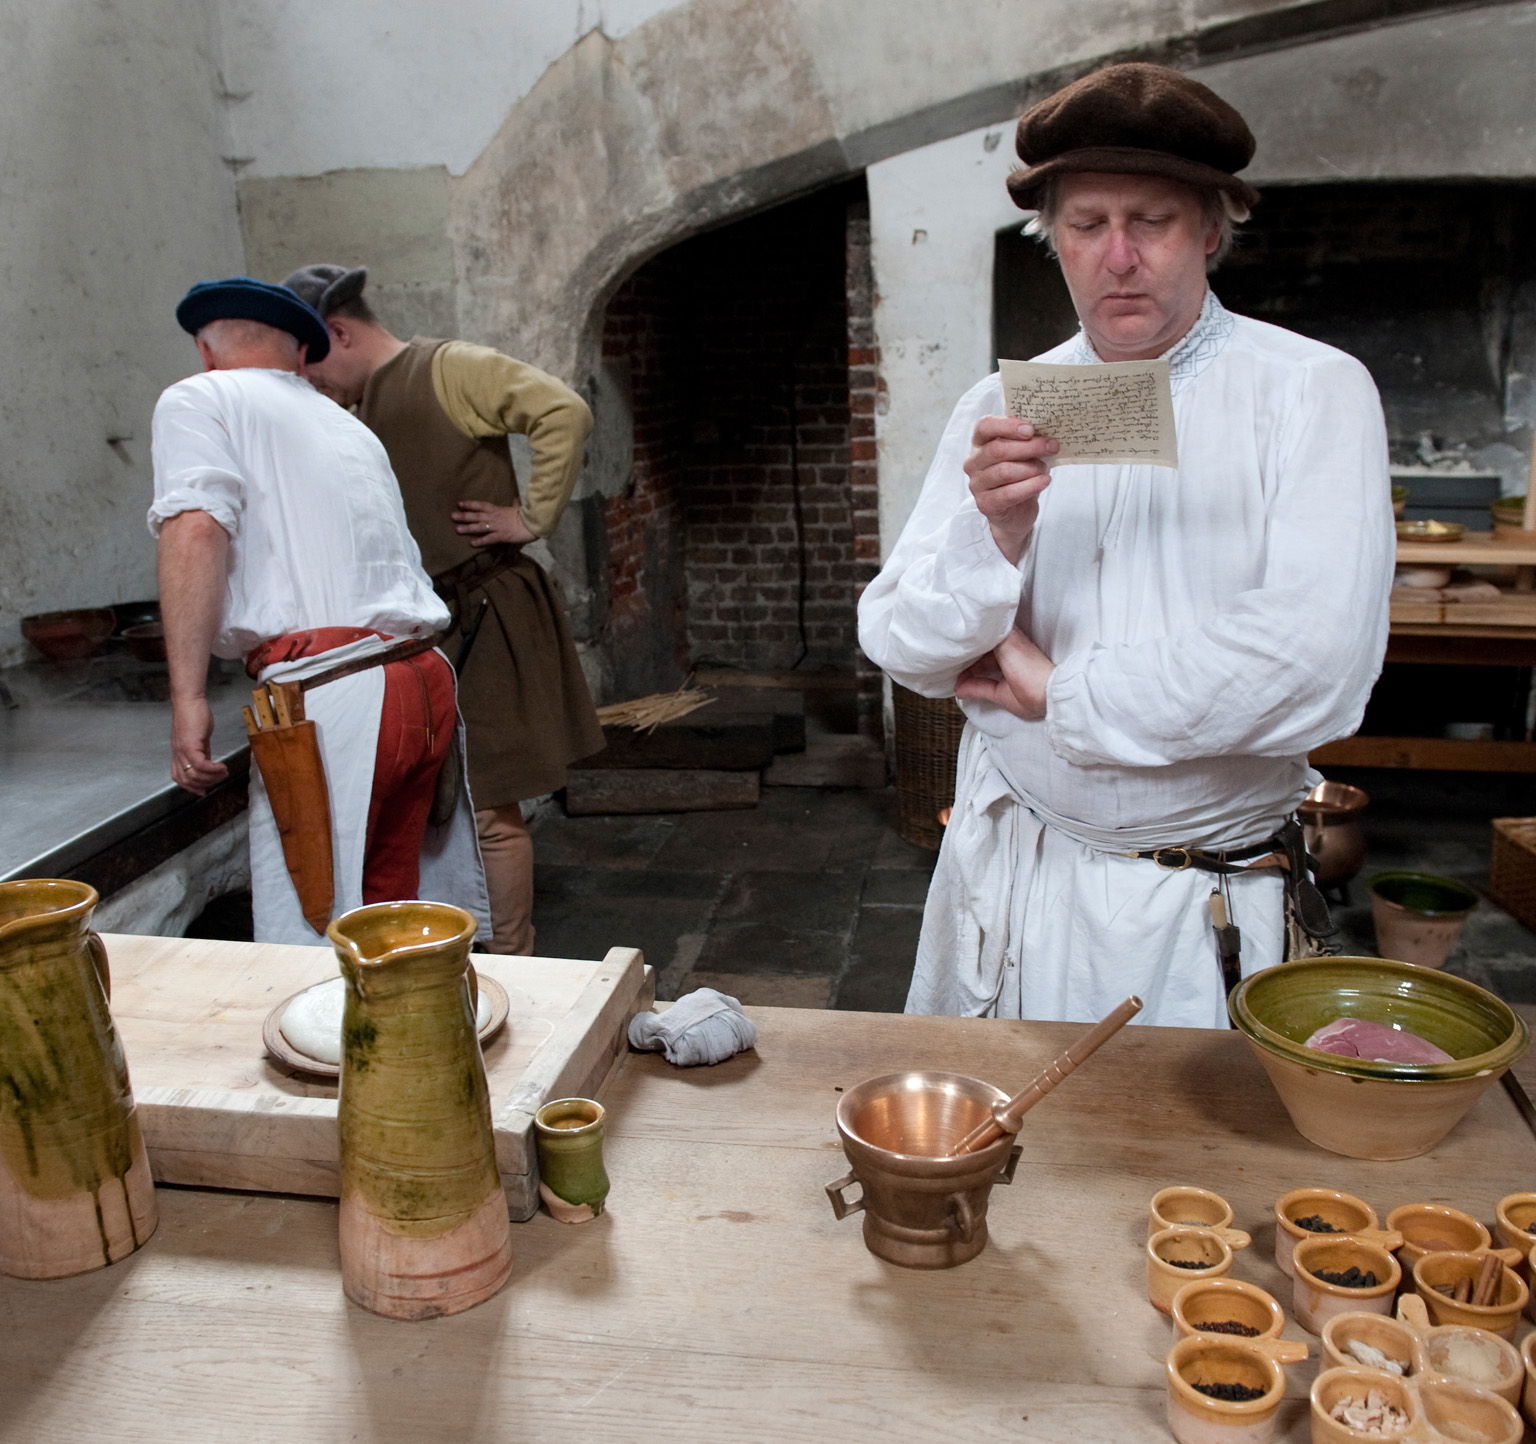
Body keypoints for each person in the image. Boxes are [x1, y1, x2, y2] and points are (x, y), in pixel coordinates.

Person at [857, 63, 1394, 1028]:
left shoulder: (1310, 390)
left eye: (1151, 221)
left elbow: (1308, 663)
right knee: (1002, 1164)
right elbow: (900, 638)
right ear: (1052, 240)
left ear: (1212, 232)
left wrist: (1056, 691)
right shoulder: (1003, 404)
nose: (1118, 257)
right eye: (1087, 223)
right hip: (1013, 875)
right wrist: (999, 537)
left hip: (1191, 905)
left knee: (1166, 1172)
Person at [150, 277, 489, 944]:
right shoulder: (344, 423)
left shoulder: (199, 398)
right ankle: (410, 1039)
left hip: (338, 695)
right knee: (391, 918)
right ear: (301, 355)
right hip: (420, 683)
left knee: (312, 936)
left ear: (206, 351)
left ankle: (333, 1046)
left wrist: (187, 696)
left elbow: (195, 530)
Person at [281, 264, 603, 956]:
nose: (311, 385)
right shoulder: (355, 409)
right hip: (421, 628)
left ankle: (516, 960)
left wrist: (531, 517)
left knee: (489, 803)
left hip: (488, 613)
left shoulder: (450, 370)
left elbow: (562, 412)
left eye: (309, 366)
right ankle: (456, 945)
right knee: (437, 807)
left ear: (337, 332)